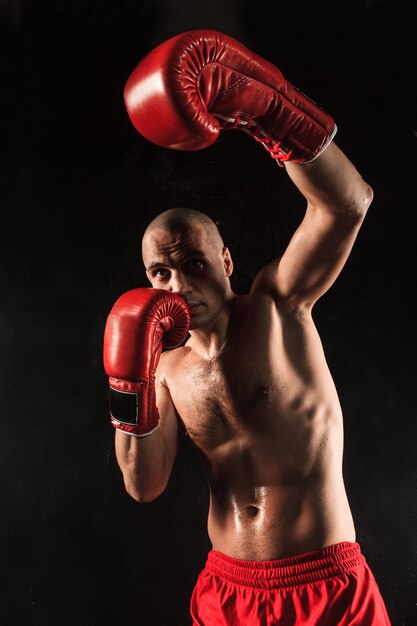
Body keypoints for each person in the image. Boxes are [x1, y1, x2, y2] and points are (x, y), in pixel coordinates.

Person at [104, 30, 391, 625]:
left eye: (193, 264)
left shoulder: (277, 306)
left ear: (225, 261)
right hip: (227, 592)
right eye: (160, 272)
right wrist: (129, 381)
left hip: (324, 584)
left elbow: (348, 204)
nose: (178, 284)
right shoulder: (164, 366)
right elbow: (143, 485)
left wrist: (269, 111)